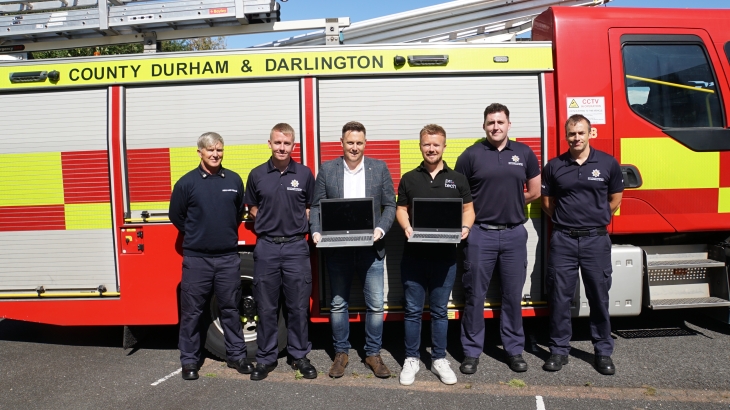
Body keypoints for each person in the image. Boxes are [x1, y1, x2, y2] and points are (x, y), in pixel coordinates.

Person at [455, 103, 541, 374]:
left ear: (509, 125)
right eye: (491, 122)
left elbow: (535, 191)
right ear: (484, 126)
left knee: (512, 296)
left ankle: (514, 351)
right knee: (474, 296)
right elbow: (459, 197)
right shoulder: (470, 155)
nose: (495, 127)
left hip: (515, 234)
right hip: (480, 234)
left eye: (500, 122)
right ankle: (471, 352)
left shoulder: (524, 153)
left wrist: (513, 203)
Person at [310, 121, 396, 379]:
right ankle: (341, 353)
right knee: (338, 304)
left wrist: (380, 229)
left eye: (359, 143)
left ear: (365, 143)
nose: (354, 147)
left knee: (375, 306)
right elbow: (316, 206)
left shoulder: (379, 168)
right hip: (339, 249)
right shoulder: (327, 169)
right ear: (342, 142)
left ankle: (372, 353)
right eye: (350, 143)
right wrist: (316, 230)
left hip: (372, 248)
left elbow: (390, 206)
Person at [541, 114, 623, 375]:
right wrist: (566, 221)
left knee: (599, 298)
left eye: (580, 133)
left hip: (595, 240)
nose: (576, 138)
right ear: (566, 136)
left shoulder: (608, 164)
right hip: (563, 239)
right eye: (571, 133)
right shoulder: (555, 166)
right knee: (559, 297)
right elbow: (547, 203)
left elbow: (615, 199)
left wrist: (594, 220)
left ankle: (603, 351)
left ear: (591, 133)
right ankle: (558, 350)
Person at [396, 124, 475, 386]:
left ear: (444, 146)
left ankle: (439, 358)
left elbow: (469, 209)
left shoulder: (458, 178)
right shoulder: (409, 178)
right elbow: (401, 209)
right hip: (414, 256)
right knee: (412, 311)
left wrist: (465, 228)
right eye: (427, 144)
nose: (431, 148)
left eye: (436, 144)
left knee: (440, 311)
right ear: (420, 146)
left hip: (445, 257)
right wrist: (406, 227)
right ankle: (411, 359)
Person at [169, 132, 251, 381]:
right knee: (192, 312)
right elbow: (177, 216)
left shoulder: (235, 180)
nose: (215, 154)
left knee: (230, 308)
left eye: (219, 150)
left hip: (227, 258)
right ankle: (189, 361)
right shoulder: (186, 183)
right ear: (200, 152)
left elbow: (237, 214)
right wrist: (198, 235)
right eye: (210, 150)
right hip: (197, 260)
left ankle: (237, 356)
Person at [244, 123, 317, 381]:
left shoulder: (305, 174)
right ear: (269, 143)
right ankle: (265, 358)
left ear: (293, 146)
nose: (282, 147)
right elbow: (251, 206)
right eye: (277, 143)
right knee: (266, 307)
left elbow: (312, 205)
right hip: (267, 247)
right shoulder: (256, 174)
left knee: (298, 306)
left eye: (287, 143)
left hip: (297, 246)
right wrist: (266, 221)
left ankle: (299, 356)